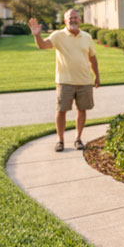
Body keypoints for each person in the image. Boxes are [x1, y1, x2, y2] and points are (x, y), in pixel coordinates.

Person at [28, 9, 100, 152]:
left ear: (79, 20)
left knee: (82, 110)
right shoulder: (58, 36)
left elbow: (92, 57)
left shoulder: (86, 37)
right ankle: (60, 141)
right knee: (61, 111)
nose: (72, 20)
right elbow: (43, 45)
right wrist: (37, 36)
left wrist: (97, 75)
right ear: (65, 21)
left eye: (75, 17)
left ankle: (78, 138)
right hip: (65, 81)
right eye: (69, 18)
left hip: (84, 81)